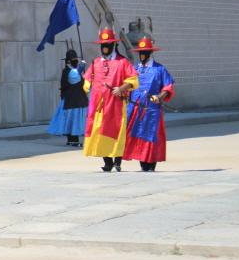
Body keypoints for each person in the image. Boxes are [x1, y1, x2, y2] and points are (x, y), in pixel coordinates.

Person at [83, 28, 139, 172]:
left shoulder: (122, 62)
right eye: (103, 45)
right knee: (100, 131)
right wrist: (86, 84)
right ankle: (107, 162)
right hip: (98, 106)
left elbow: (133, 80)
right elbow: (88, 80)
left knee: (117, 131)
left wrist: (121, 88)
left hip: (115, 105)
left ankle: (117, 161)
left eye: (107, 44)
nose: (104, 47)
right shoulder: (96, 62)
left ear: (113, 45)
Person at [123, 37, 175, 171]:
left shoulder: (159, 69)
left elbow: (168, 86)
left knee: (151, 135)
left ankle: (151, 163)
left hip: (152, 110)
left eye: (144, 52)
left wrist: (159, 96)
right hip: (135, 109)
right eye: (140, 52)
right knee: (137, 133)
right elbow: (127, 86)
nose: (142, 55)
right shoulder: (135, 69)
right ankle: (142, 162)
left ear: (149, 53)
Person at [48, 48, 88, 147]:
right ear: (69, 61)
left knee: (72, 120)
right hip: (71, 101)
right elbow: (74, 79)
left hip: (77, 99)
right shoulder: (68, 71)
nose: (76, 61)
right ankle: (73, 140)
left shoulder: (73, 70)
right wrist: (81, 68)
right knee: (72, 120)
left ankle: (72, 140)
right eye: (74, 59)